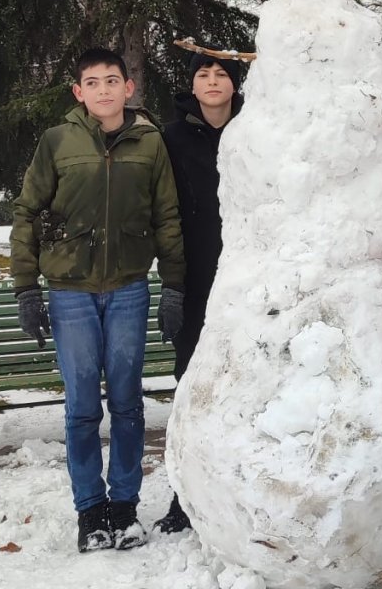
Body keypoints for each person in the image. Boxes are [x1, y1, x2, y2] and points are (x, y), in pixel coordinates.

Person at [10, 47, 186, 553]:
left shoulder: (149, 143)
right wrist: (26, 288)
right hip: (70, 293)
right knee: (83, 407)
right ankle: (91, 512)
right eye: (93, 82)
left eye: (113, 80)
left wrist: (172, 285)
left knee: (128, 405)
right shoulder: (57, 142)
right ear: (78, 92)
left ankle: (125, 507)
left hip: (129, 288)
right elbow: (27, 212)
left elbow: (167, 216)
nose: (104, 90)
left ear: (128, 88)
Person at [155, 49, 244, 533]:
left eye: (222, 73)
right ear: (192, 86)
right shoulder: (169, 138)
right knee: (193, 387)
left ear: (235, 84)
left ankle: (236, 485)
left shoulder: (255, 130)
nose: (212, 80)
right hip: (194, 280)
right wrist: (172, 284)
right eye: (203, 74)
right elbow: (161, 212)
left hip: (248, 280)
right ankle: (184, 491)